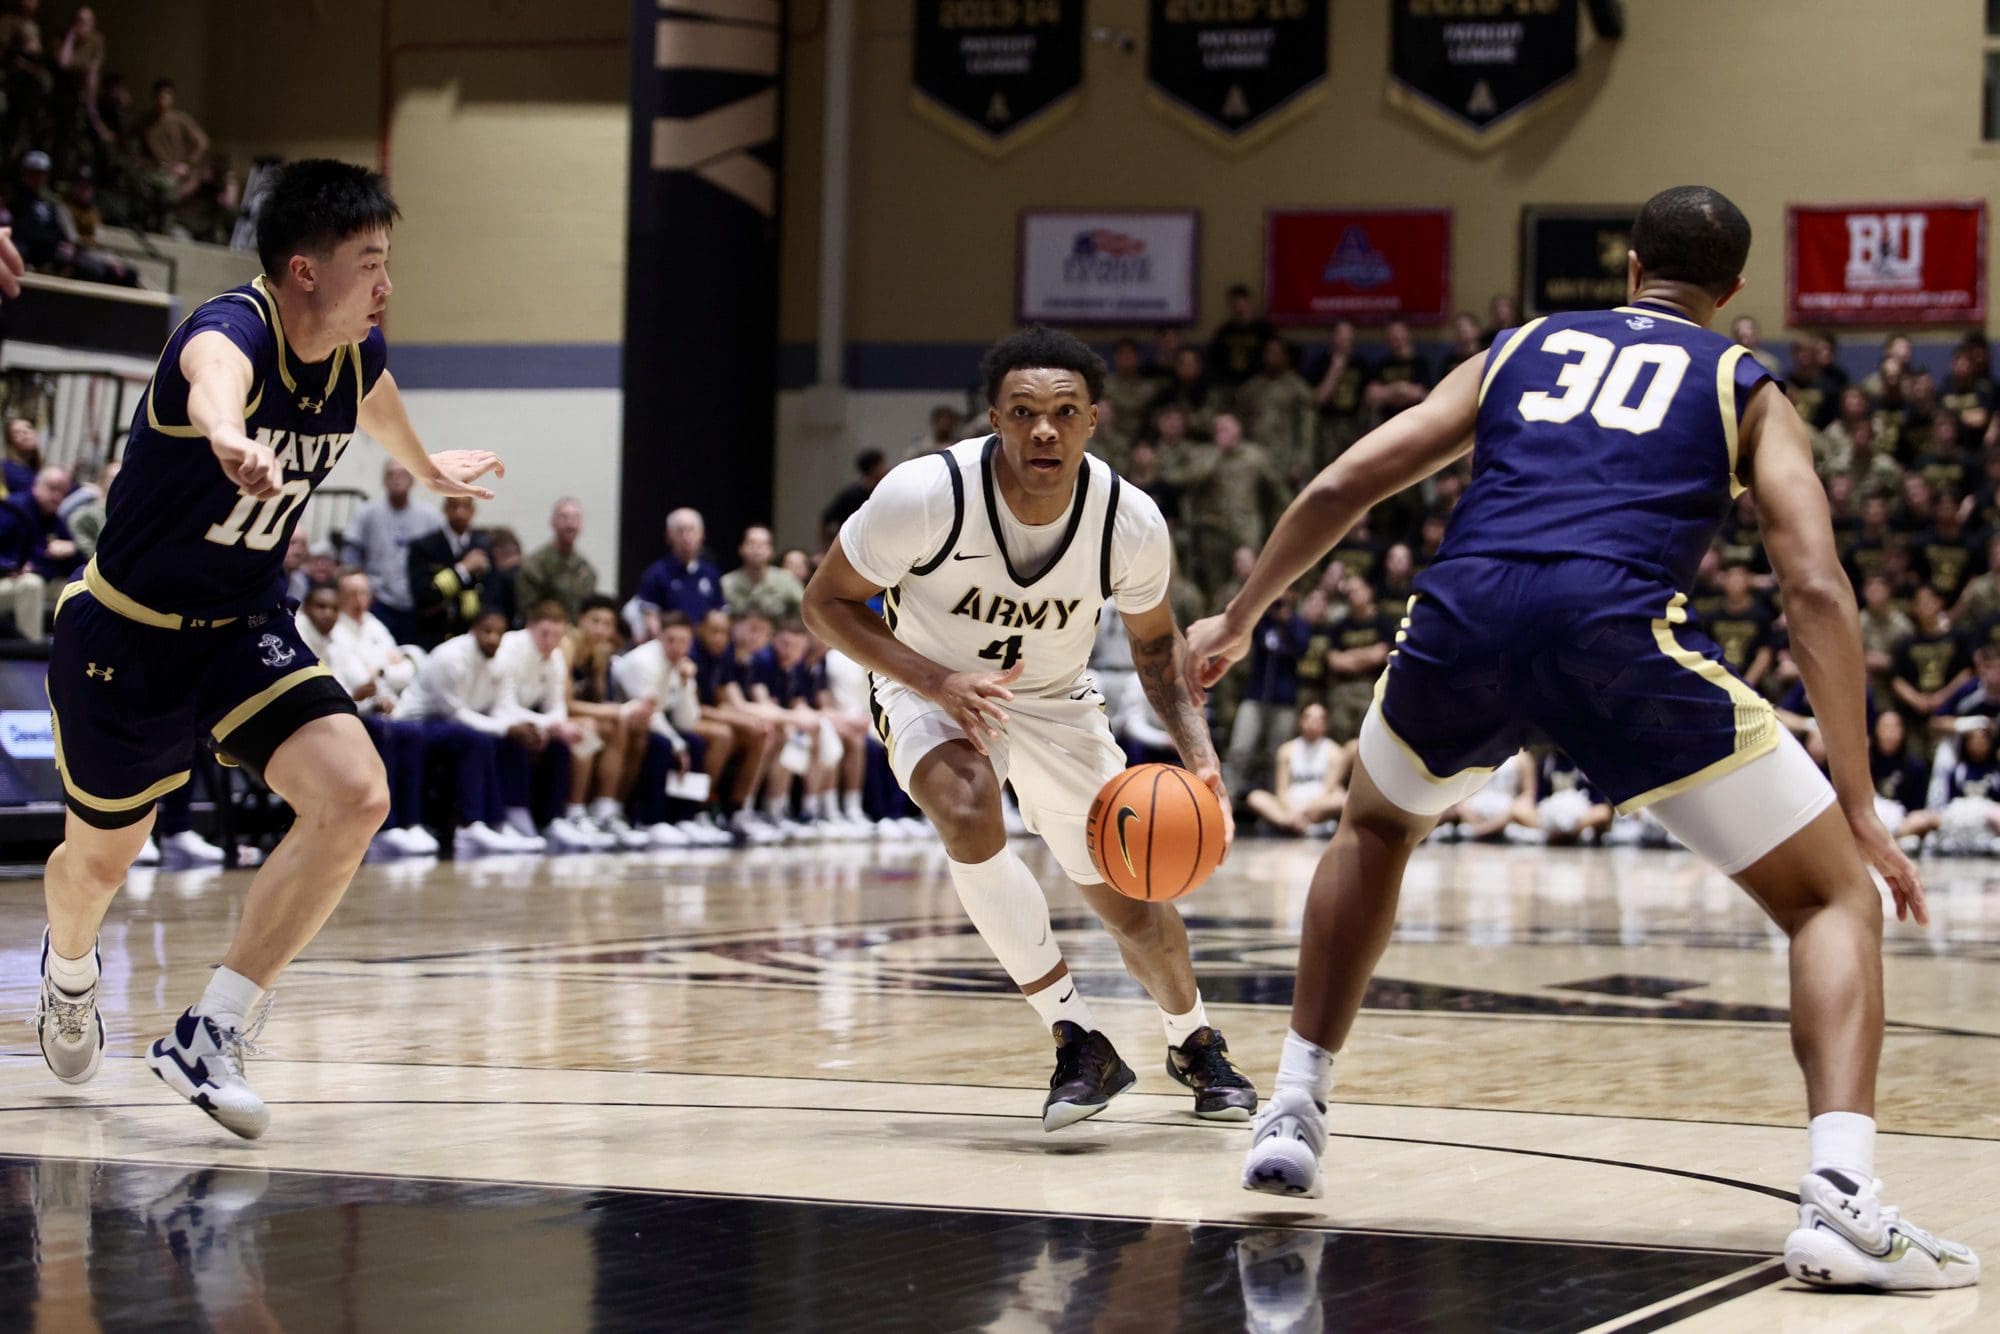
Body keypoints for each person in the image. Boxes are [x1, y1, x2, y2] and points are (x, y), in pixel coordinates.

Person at [1187, 186, 1977, 1289]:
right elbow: (1812, 584)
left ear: (1627, 265)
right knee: (1829, 893)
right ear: (1734, 292)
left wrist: (1239, 614)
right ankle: (1841, 1197)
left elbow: (1344, 477)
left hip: (1463, 610)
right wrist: (1857, 802)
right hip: (1612, 627)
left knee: (1372, 826)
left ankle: (1291, 1107)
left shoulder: (1518, 346)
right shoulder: (1740, 378)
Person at [34, 159, 505, 1140]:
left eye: (387, 261)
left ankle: (210, 1029)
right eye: (369, 263)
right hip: (127, 635)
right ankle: (69, 970)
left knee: (356, 794)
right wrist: (224, 435)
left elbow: (375, 408)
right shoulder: (229, 332)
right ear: (302, 270)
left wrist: (427, 463)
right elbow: (213, 381)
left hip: (242, 626)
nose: (386, 284)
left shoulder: (355, 354)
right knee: (97, 865)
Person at [804, 325, 1258, 1131]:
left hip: (1056, 700)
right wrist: (937, 681)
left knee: (1131, 898)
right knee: (967, 803)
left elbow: (1157, 648)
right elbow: (825, 603)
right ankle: (1077, 1035)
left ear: (1093, 421)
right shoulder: (923, 494)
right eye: (1022, 412)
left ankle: (1193, 1040)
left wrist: (1200, 755)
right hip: (928, 684)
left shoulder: (1131, 519)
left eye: (1062, 411)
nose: (1042, 428)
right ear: (995, 420)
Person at [339, 459, 441, 644]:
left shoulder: (430, 516)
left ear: (413, 481)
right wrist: (359, 588)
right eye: (390, 475)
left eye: (402, 475)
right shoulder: (367, 513)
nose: (396, 479)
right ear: (383, 481)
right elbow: (351, 553)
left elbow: (441, 557)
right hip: (378, 600)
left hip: (416, 603)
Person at [1244, 703, 1350, 836]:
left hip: (1317, 808)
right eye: (1309, 717)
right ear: (1301, 721)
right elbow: (1281, 790)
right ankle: (1290, 822)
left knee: (1341, 798)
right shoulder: (1286, 751)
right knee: (1255, 797)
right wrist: (1292, 811)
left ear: (1325, 724)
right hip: (1289, 806)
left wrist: (1305, 809)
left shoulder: (1334, 752)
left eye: (1318, 719)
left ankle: (1295, 823)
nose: (1313, 722)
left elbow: (1329, 790)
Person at [407, 494, 490, 649]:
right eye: (454, 506)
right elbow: (423, 594)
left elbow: (491, 592)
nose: (460, 513)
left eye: (465, 507)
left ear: (473, 511)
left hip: (470, 636)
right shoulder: (424, 546)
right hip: (434, 634)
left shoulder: (483, 544)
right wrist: (463, 569)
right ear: (445, 509)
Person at [517, 496, 598, 619]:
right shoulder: (535, 565)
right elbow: (529, 611)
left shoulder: (586, 569)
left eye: (575, 518)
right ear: (552, 522)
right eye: (564, 517)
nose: (570, 524)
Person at [721, 523, 804, 621]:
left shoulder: (786, 580)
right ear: (741, 548)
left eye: (763, 545)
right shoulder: (727, 583)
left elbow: (806, 609)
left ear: (771, 550)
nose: (757, 549)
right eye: (752, 543)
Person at [819, 450, 889, 550]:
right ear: (874, 468)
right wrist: (825, 549)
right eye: (883, 464)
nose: (888, 467)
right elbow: (825, 520)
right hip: (852, 549)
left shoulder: (883, 492)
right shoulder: (850, 494)